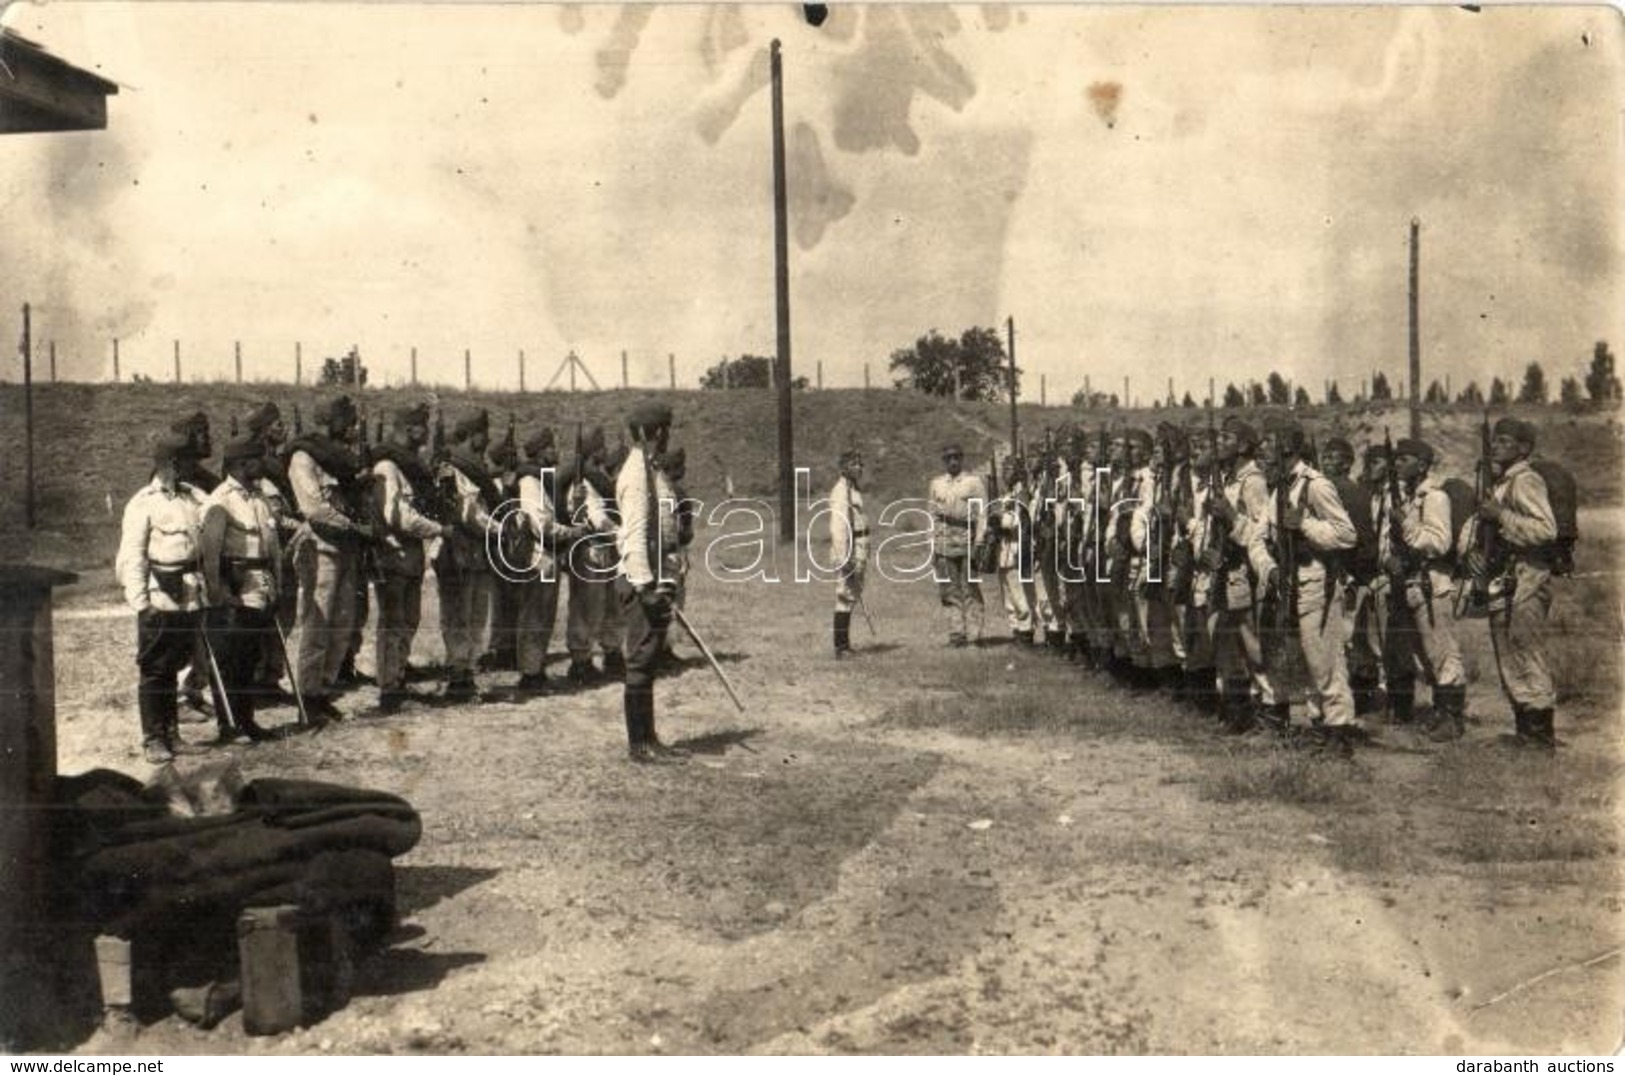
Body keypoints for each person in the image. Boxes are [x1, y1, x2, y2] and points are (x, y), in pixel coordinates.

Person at [1250, 418, 1359, 753]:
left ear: (1289, 446)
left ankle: (1339, 735)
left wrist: (1306, 525)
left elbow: (1346, 534)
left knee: (1326, 663)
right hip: (1288, 586)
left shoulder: (1315, 485)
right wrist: (1267, 570)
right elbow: (1259, 537)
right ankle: (1319, 728)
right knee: (1308, 665)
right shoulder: (1280, 486)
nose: (1263, 449)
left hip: (1317, 585)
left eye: (1270, 441)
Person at [1463, 417, 1560, 750]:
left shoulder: (1526, 481)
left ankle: (1540, 736)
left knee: (1526, 652)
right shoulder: (1502, 483)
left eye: (1505, 441)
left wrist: (1500, 516)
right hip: (1505, 579)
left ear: (1524, 448)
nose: (1496, 446)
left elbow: (1546, 531)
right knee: (1507, 654)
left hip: (1528, 578)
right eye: (1495, 440)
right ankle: (1525, 731)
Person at [115, 434, 211, 763]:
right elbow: (132, 557)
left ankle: (172, 732)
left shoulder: (192, 497)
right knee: (155, 668)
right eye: (187, 462)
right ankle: (153, 738)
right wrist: (141, 603)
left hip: (189, 595)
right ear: (170, 464)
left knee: (174, 665)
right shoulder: (143, 503)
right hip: (160, 598)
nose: (193, 467)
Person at [1378, 438, 1468, 741]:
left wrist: (1407, 526)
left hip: (1432, 583)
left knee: (1442, 652)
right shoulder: (1402, 497)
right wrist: (1388, 558)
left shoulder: (1435, 498)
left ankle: (1452, 718)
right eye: (1397, 458)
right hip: (1410, 583)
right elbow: (1387, 541)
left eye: (1406, 459)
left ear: (1423, 464)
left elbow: (1439, 541)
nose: (1398, 464)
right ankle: (1440, 712)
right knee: (1423, 655)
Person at [286, 395, 369, 723]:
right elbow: (314, 508)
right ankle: (308, 697)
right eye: (348, 421)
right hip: (321, 547)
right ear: (332, 423)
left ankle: (324, 689)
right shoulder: (303, 457)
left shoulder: (344, 460)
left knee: (343, 622)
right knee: (318, 623)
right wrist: (354, 527)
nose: (354, 427)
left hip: (347, 546)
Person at [198, 437, 283, 743]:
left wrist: (277, 586)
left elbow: (270, 545)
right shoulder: (220, 501)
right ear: (241, 464)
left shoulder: (259, 497)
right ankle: (228, 724)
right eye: (257, 459)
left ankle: (246, 720)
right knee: (228, 661)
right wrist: (220, 593)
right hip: (235, 588)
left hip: (260, 587)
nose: (263, 464)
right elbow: (210, 553)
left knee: (248, 659)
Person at [615, 401, 684, 763]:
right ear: (649, 433)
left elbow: (666, 528)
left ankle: (650, 738)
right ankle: (639, 745)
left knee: (650, 656)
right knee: (640, 660)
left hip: (657, 576)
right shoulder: (636, 475)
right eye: (661, 429)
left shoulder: (652, 471)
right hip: (641, 579)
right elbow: (635, 534)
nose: (665, 434)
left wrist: (668, 579)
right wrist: (645, 586)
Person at [1202, 416, 1278, 733]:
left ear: (1244, 446)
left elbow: (1262, 535)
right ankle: (1238, 713)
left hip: (1246, 573)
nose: (1219, 444)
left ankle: (1271, 716)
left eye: (1226, 438)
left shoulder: (1253, 482)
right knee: (1228, 644)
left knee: (1254, 647)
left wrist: (1231, 517)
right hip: (1225, 572)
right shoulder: (1229, 479)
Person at [369, 403, 446, 713]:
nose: (425, 432)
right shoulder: (388, 466)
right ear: (409, 429)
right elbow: (396, 515)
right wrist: (438, 528)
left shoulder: (408, 466)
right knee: (392, 622)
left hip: (410, 554)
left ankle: (397, 677)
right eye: (421, 426)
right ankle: (388, 689)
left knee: (408, 621)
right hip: (392, 553)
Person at [436, 409, 500, 702]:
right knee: (458, 615)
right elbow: (468, 513)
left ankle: (467, 672)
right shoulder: (455, 467)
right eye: (483, 433)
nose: (487, 439)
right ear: (473, 435)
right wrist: (501, 529)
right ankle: (458, 676)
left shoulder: (475, 466)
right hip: (458, 549)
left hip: (476, 551)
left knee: (475, 615)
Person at [514, 427, 578, 695]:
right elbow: (541, 524)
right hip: (538, 554)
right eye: (551, 447)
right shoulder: (530, 481)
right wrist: (570, 532)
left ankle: (535, 669)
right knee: (535, 615)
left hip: (548, 555)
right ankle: (530, 674)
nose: (556, 452)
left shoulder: (542, 479)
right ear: (541, 452)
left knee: (544, 615)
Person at [245, 401, 300, 700]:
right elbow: (273, 514)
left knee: (284, 616)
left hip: (286, 551)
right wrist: (301, 526)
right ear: (265, 431)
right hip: (269, 549)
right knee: (266, 618)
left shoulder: (279, 463)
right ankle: (257, 680)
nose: (284, 429)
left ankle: (270, 679)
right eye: (278, 425)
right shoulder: (258, 468)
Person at [563, 427, 623, 684]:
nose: (605, 451)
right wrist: (619, 533)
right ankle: (581, 660)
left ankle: (612, 651)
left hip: (606, 549)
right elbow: (594, 515)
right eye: (601, 447)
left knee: (611, 604)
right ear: (593, 451)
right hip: (589, 550)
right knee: (587, 606)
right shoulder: (583, 482)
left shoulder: (599, 478)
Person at [928, 443, 986, 647]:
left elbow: (982, 514)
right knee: (948, 590)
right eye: (949, 458)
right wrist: (933, 544)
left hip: (967, 540)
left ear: (962, 459)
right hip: (944, 543)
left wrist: (979, 542)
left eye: (956, 457)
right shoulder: (937, 484)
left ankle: (974, 635)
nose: (953, 461)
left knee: (970, 588)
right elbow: (933, 515)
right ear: (944, 461)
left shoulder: (973, 482)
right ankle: (956, 633)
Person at [988, 455, 1039, 645]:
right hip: (1004, 549)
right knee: (1008, 596)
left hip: (1018, 549)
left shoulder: (1022, 494)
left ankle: (1026, 633)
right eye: (1004, 469)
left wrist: (1000, 520)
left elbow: (1022, 522)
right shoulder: (1006, 495)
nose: (1004, 473)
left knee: (1021, 596)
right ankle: (1016, 630)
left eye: (1009, 469)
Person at [829, 447, 871, 658]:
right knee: (845, 595)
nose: (859, 467)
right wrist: (844, 557)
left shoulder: (854, 488)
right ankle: (841, 646)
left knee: (853, 594)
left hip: (861, 545)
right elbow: (838, 528)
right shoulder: (841, 491)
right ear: (844, 468)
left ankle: (845, 644)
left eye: (860, 464)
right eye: (854, 464)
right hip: (850, 548)